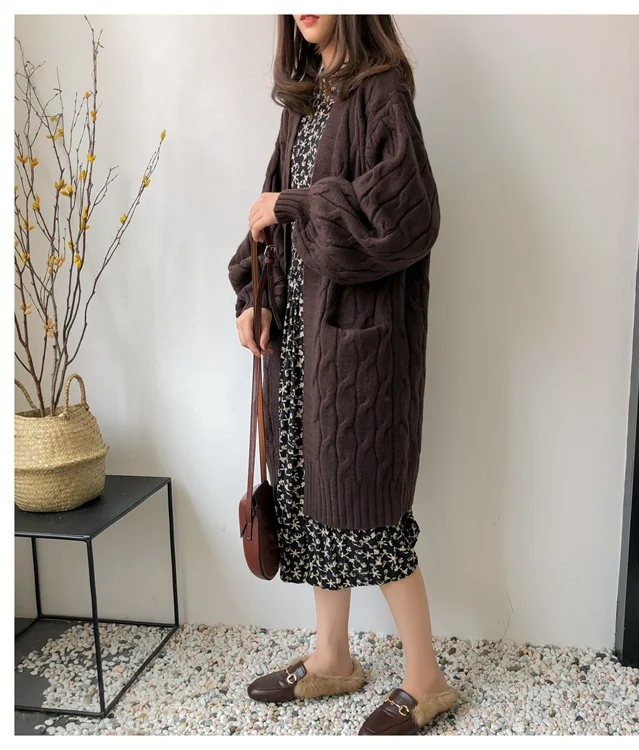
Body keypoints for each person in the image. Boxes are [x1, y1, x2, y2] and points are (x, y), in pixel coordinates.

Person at [227, 14, 456, 736]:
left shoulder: (382, 92)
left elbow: (405, 218)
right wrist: (255, 300)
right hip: (297, 344)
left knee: (369, 511)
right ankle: (332, 656)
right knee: (311, 500)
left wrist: (295, 204)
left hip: (357, 351)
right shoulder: (304, 103)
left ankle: (427, 678)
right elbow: (268, 227)